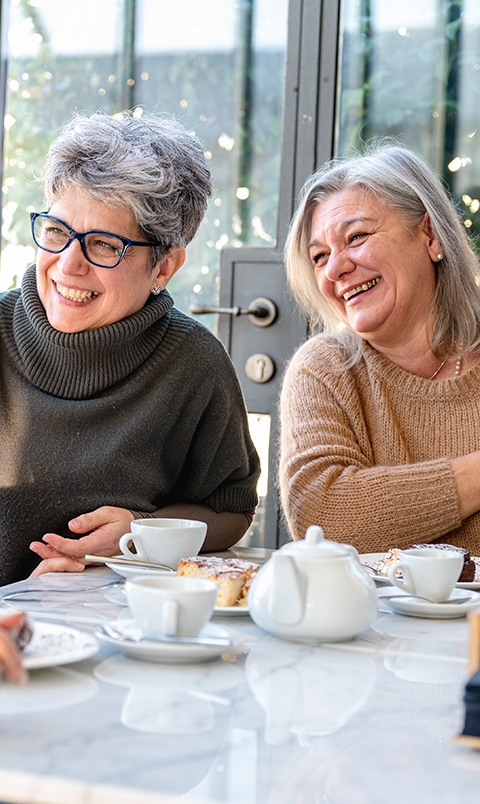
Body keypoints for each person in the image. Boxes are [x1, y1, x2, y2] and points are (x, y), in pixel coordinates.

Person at [0, 110, 260, 585]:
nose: (68, 264)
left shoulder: (193, 363)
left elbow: (231, 507)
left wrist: (144, 532)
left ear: (164, 268)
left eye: (102, 244)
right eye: (57, 231)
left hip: (118, 630)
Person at [280, 142, 480, 554]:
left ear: (430, 235)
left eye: (356, 237)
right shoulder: (325, 369)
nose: (335, 268)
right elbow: (321, 515)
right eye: (319, 257)